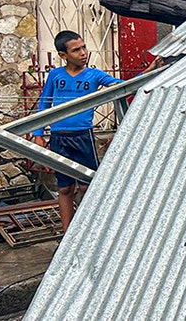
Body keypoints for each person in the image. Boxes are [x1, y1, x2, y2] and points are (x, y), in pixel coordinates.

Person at [29, 30, 122, 230]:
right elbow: (44, 104)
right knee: (65, 188)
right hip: (59, 137)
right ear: (63, 55)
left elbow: (122, 86)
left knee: (87, 185)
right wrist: (38, 134)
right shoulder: (55, 75)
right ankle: (66, 234)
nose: (83, 53)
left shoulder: (95, 75)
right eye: (76, 50)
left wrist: (148, 72)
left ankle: (89, 230)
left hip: (83, 136)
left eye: (83, 47)